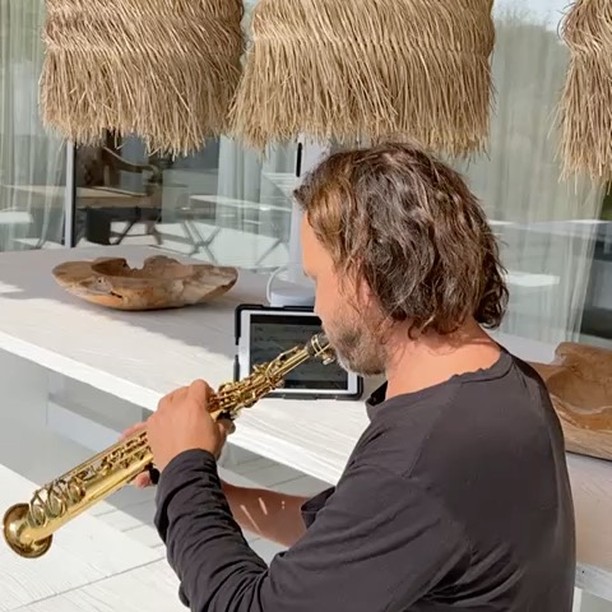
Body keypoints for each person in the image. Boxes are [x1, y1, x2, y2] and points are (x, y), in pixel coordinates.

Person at [126, 142, 576, 611]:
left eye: (317, 279)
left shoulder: (424, 456)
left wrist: (186, 470)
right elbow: (349, 538)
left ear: (364, 276)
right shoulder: (510, 384)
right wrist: (198, 483)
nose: (318, 308)